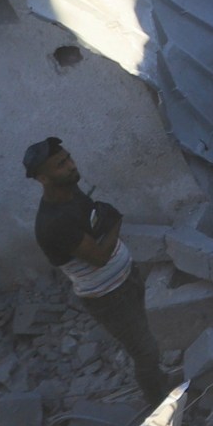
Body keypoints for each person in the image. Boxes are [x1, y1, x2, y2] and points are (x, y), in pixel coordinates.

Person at [23, 139, 172, 407]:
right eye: (61, 164)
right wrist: (114, 222)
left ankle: (161, 383)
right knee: (145, 351)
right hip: (109, 297)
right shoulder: (53, 222)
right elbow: (99, 256)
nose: (70, 166)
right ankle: (160, 406)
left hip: (126, 279)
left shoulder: (71, 191)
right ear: (43, 178)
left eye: (68, 158)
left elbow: (95, 232)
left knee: (145, 340)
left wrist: (105, 229)